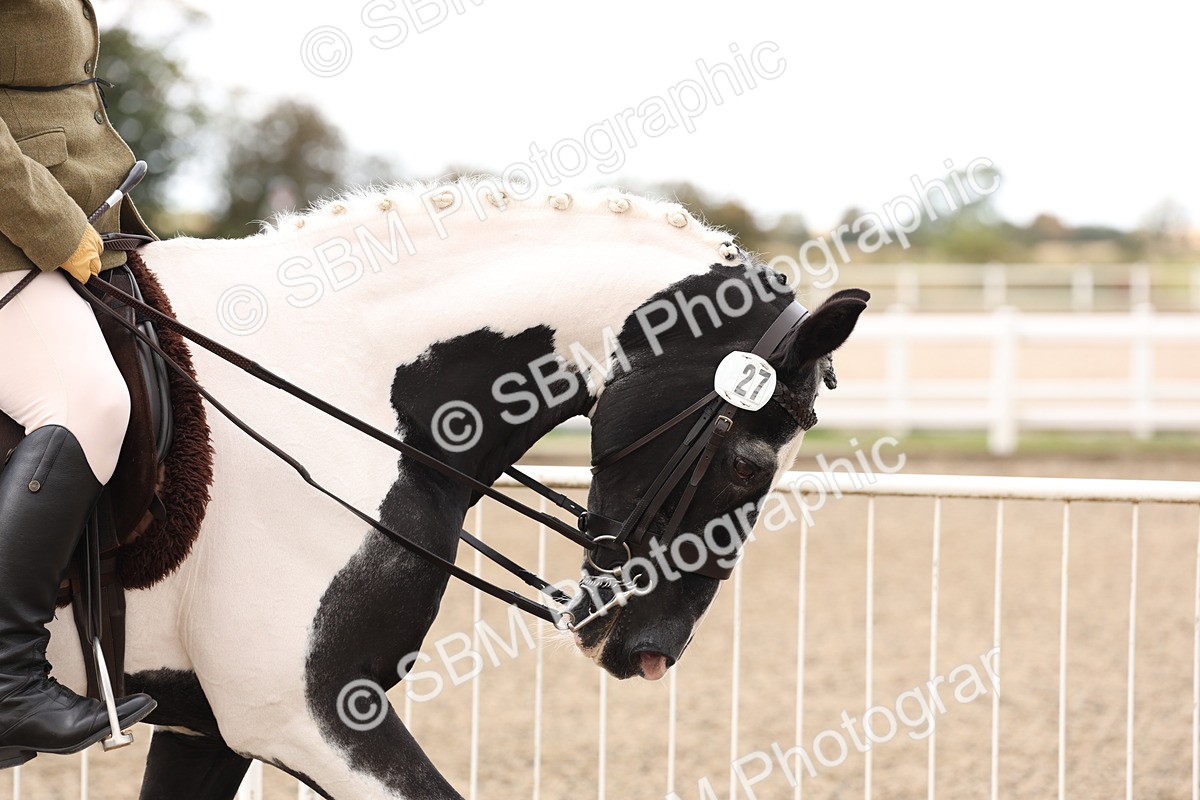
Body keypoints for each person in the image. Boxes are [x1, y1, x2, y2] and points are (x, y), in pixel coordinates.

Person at [0, 0, 157, 768]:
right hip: (17, 233)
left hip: (69, 221)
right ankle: (6, 683)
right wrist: (58, 232)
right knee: (87, 402)